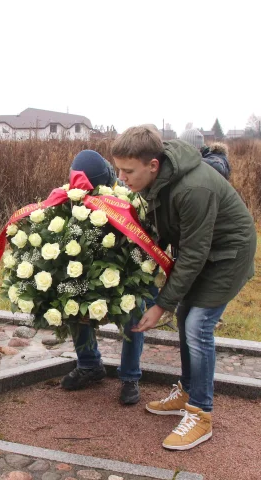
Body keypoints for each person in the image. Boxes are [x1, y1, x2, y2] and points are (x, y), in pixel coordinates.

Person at [111, 126, 256, 451]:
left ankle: (200, 414)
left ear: (153, 165)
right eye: (119, 168)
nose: (121, 177)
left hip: (229, 253)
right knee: (187, 315)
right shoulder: (159, 177)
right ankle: (189, 390)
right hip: (205, 251)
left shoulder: (194, 188)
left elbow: (192, 254)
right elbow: (164, 228)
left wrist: (162, 303)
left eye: (128, 171)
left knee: (197, 325)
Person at [60, 149, 146, 405]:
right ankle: (89, 365)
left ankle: (130, 376)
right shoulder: (73, 198)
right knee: (71, 298)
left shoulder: (129, 197)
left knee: (134, 310)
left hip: (125, 270)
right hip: (89, 270)